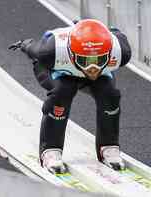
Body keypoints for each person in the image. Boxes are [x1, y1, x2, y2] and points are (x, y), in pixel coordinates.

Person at [9, 19, 132, 174]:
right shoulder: (49, 52)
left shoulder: (122, 51)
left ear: (109, 53)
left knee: (110, 95)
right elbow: (33, 47)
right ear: (71, 53)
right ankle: (50, 150)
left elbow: (115, 31)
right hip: (60, 70)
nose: (91, 68)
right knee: (63, 91)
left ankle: (108, 147)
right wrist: (24, 44)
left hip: (86, 67)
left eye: (98, 60)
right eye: (85, 60)